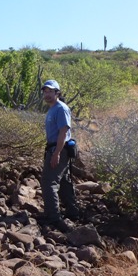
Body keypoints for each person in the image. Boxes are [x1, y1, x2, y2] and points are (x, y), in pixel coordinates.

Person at [40, 79, 79, 231]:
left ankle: (53, 218)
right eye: (45, 91)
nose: (47, 94)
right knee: (63, 181)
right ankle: (73, 212)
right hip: (56, 148)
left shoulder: (61, 108)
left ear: (57, 93)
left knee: (48, 182)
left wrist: (56, 153)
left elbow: (63, 132)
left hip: (58, 149)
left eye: (50, 91)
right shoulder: (53, 109)